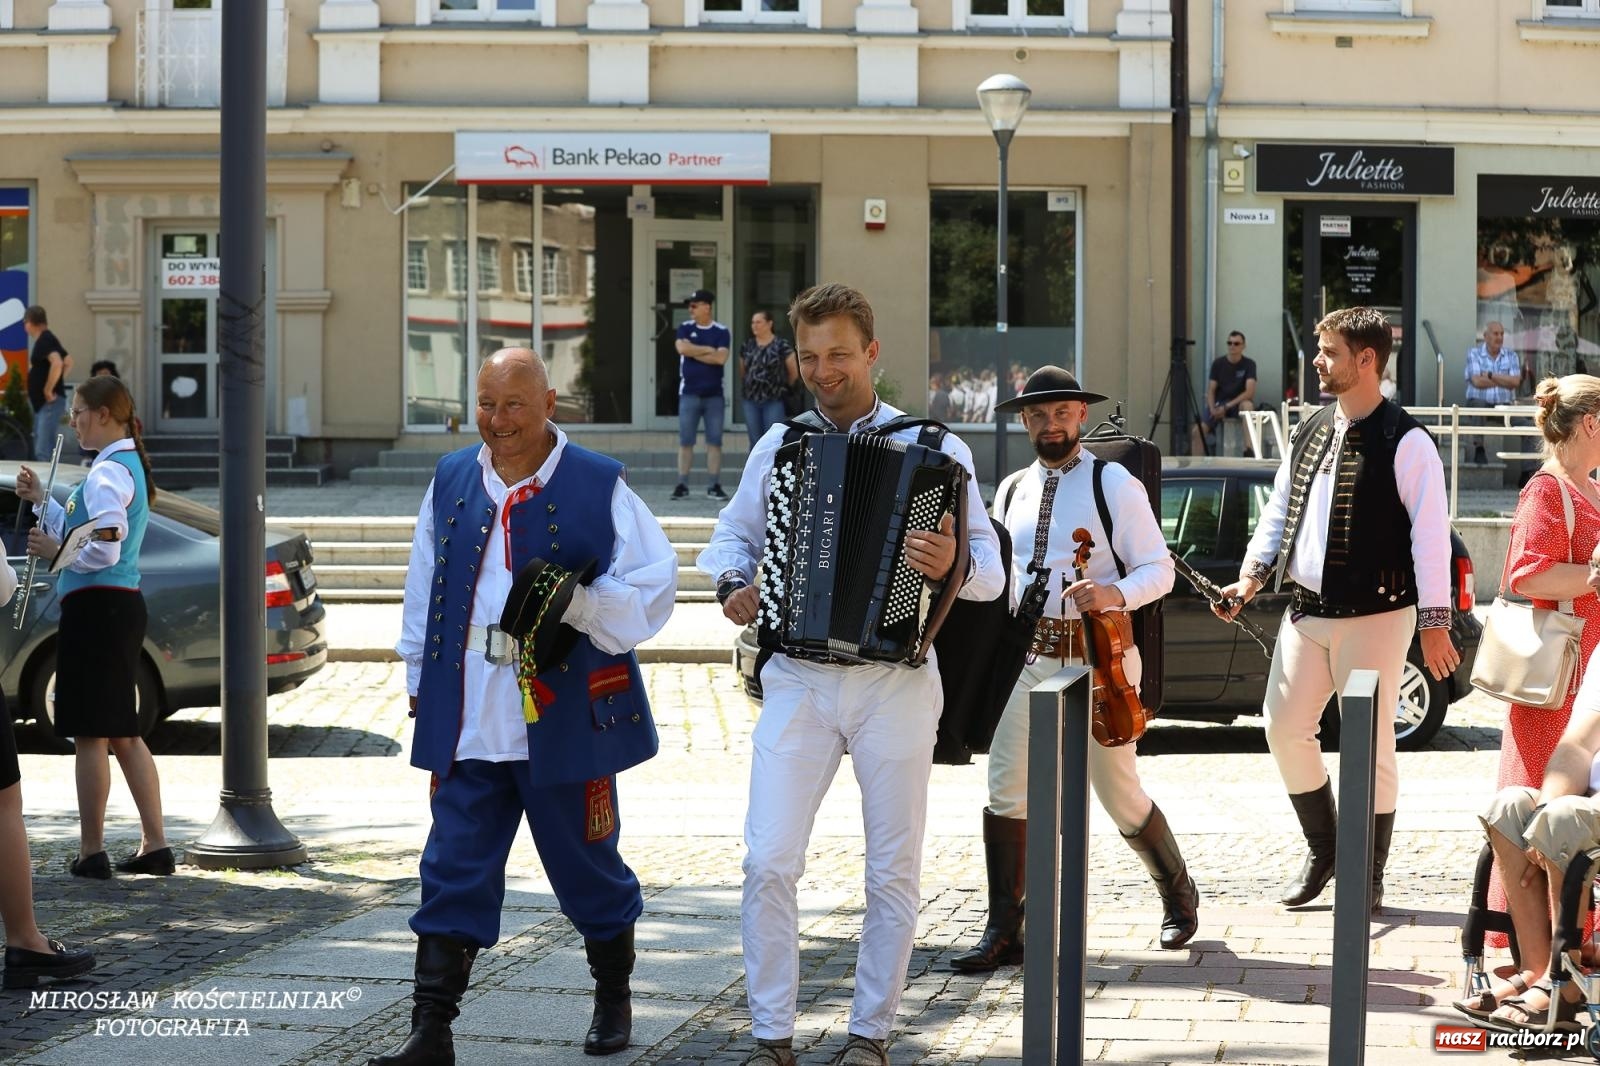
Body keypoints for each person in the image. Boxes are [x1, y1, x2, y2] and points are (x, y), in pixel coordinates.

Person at [699, 283, 1004, 1066]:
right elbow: (729, 535)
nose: (823, 369)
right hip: (798, 676)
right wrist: (734, 585)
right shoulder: (780, 446)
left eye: (838, 353)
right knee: (768, 858)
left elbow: (994, 576)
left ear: (871, 353)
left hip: (896, 680)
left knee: (892, 868)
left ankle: (871, 1033)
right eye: (809, 356)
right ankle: (771, 1035)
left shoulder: (938, 450)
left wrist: (953, 562)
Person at [376, 348, 676, 1064]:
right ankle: (431, 1030)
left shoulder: (599, 483)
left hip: (564, 717)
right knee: (450, 867)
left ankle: (612, 997)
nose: (497, 421)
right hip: (470, 714)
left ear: (548, 402)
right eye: (485, 403)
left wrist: (582, 603)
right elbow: (425, 588)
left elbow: (654, 589)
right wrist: (422, 691)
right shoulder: (451, 476)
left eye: (513, 404)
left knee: (588, 869)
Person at [950, 366, 1196, 975]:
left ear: (1080, 416)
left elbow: (1158, 571)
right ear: (1025, 421)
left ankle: (1177, 892)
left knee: (1117, 793)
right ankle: (1007, 928)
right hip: (1028, 658)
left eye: (1061, 413)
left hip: (1099, 657)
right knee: (1006, 788)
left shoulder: (1114, 484)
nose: (1050, 424)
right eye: (1038, 415)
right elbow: (997, 580)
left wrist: (1114, 596)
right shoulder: (1008, 490)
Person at [1214, 307, 1459, 913]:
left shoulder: (1408, 441)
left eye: (1328, 351)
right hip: (1306, 610)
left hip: (1379, 615)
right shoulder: (1311, 429)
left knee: (1370, 746)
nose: (1318, 361)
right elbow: (1280, 512)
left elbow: (1431, 541)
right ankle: (1325, 849)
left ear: (1366, 359)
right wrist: (1248, 579)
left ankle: (1366, 874)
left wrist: (1434, 626)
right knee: (1283, 727)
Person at [17, 375, 169, 881]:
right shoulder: (115, 467)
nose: (74, 419)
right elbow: (92, 530)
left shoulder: (108, 473)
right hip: (115, 606)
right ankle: (154, 844)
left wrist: (54, 555)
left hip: (99, 609)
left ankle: (92, 850)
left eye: (79, 410)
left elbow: (103, 543)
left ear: (104, 414)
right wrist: (44, 500)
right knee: (122, 733)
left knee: (91, 734)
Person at [1480, 375, 1600, 953]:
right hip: (1560, 679)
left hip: (1585, 673)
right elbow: (1525, 574)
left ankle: (1571, 949)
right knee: (1535, 809)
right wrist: (1594, 576)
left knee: (1568, 813)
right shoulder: (1547, 489)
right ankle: (1536, 956)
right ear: (1590, 423)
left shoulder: (1588, 487)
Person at [1469, 666, 1600, 1033]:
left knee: (1563, 818)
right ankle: (1536, 970)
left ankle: (1564, 984)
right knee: (1510, 809)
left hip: (1587, 813)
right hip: (1588, 808)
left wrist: (1556, 819)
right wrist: (1542, 815)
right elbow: (1577, 745)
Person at [673, 289, 731, 500]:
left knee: (714, 442)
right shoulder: (685, 328)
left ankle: (714, 485)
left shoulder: (722, 331)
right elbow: (681, 349)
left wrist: (695, 350)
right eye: (690, 305)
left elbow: (720, 359)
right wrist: (708, 349)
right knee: (685, 441)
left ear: (707, 307)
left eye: (694, 305)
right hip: (689, 393)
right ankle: (682, 484)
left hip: (714, 395)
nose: (691, 309)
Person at [1190, 330, 1257, 457]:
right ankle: (1197, 467)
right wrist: (1212, 409)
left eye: (1236, 343)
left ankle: (1248, 449)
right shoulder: (1218, 364)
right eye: (1229, 343)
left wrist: (1227, 407)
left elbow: (1249, 392)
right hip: (1219, 403)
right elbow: (1211, 390)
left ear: (1243, 346)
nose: (1232, 346)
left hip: (1237, 404)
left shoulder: (1249, 364)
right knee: (1197, 431)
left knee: (1248, 406)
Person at [1464, 321, 1522, 466]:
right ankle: (1479, 449)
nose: (1500, 337)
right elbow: (1477, 381)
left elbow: (1515, 382)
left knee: (1528, 425)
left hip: (1504, 407)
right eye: (1496, 333)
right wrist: (1504, 380)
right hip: (1479, 403)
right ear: (1485, 336)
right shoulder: (1474, 353)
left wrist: (1489, 375)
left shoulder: (1511, 355)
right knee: (1479, 405)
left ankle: (1528, 471)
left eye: (1502, 334)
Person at [739, 310, 797, 447]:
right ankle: (755, 468)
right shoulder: (747, 346)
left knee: (773, 440)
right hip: (750, 400)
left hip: (774, 400)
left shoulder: (781, 345)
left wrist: (783, 386)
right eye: (752, 322)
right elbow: (742, 371)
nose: (754, 325)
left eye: (758, 322)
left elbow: (793, 372)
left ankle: (771, 468)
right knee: (754, 440)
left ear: (769, 323)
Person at [23, 306, 72, 463]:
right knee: (44, 447)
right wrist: (57, 382)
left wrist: (48, 389)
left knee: (43, 451)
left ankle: (45, 487)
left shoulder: (44, 339)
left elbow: (58, 363)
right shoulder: (49, 338)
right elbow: (69, 362)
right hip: (45, 405)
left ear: (29, 323)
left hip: (48, 404)